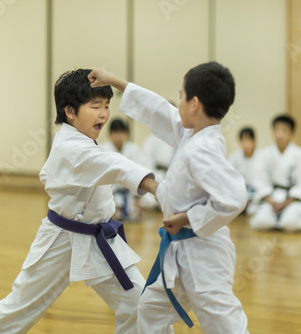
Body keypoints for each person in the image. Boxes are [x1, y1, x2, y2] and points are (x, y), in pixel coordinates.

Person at [0, 69, 158, 334]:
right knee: (21, 306)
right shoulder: (71, 147)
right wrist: (155, 187)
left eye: (106, 105)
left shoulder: (83, 142)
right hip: (61, 238)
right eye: (95, 106)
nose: (104, 113)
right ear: (70, 111)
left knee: (140, 302)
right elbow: (113, 164)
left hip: (100, 239)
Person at [88, 61, 249, 333]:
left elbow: (234, 198)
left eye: (181, 96)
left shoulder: (203, 148)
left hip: (204, 255)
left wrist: (187, 218)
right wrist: (113, 81)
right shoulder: (194, 135)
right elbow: (159, 110)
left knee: (224, 324)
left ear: (194, 104)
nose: (178, 102)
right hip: (181, 252)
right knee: (150, 310)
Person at [250, 114, 301, 231]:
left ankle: (293, 220)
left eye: (284, 130)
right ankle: (276, 220)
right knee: (261, 222)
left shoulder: (300, 155)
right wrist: (270, 200)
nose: (279, 135)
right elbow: (259, 180)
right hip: (271, 198)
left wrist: (287, 202)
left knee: (290, 223)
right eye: (276, 130)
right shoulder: (265, 154)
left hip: (292, 199)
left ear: (292, 134)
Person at [100, 118, 149, 220]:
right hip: (112, 194)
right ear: (110, 134)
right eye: (115, 133)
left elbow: (139, 174)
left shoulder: (133, 149)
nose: (119, 137)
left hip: (130, 192)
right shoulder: (103, 150)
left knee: (140, 209)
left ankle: (133, 205)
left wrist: (137, 198)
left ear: (126, 134)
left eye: (121, 133)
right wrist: (111, 198)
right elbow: (102, 180)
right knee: (110, 212)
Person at [139, 132, 176, 210]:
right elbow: (147, 164)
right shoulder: (150, 140)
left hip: (173, 176)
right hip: (157, 174)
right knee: (148, 199)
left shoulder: (176, 137)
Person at [229, 127, 259, 214]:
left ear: (253, 141)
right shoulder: (234, 156)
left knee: (254, 209)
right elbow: (230, 177)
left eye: (248, 140)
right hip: (241, 191)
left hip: (255, 191)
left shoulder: (261, 156)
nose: (245, 144)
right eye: (243, 141)